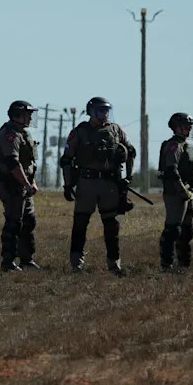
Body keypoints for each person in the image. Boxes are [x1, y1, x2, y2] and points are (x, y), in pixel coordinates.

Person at [60, 96, 136, 274]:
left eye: (106, 110)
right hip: (87, 182)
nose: (104, 114)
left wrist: (128, 178)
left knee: (111, 224)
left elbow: (130, 151)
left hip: (110, 183)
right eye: (101, 110)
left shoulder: (116, 130)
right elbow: (66, 159)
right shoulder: (80, 131)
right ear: (91, 112)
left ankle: (114, 263)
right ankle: (76, 264)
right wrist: (68, 184)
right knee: (80, 223)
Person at [0, 101, 40, 271]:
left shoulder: (23, 134)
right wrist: (27, 184)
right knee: (13, 223)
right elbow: (13, 163)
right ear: (18, 114)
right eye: (28, 114)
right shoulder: (9, 134)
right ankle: (8, 262)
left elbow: (28, 162)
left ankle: (26, 259)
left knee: (28, 221)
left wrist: (31, 182)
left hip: (23, 185)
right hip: (12, 185)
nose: (31, 117)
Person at [157, 113, 193, 271]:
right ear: (177, 127)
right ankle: (166, 264)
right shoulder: (174, 145)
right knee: (173, 229)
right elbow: (171, 169)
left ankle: (184, 263)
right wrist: (181, 189)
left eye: (190, 126)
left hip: (187, 189)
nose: (189, 129)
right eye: (186, 125)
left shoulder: (187, 145)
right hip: (176, 192)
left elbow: (189, 170)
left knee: (187, 230)